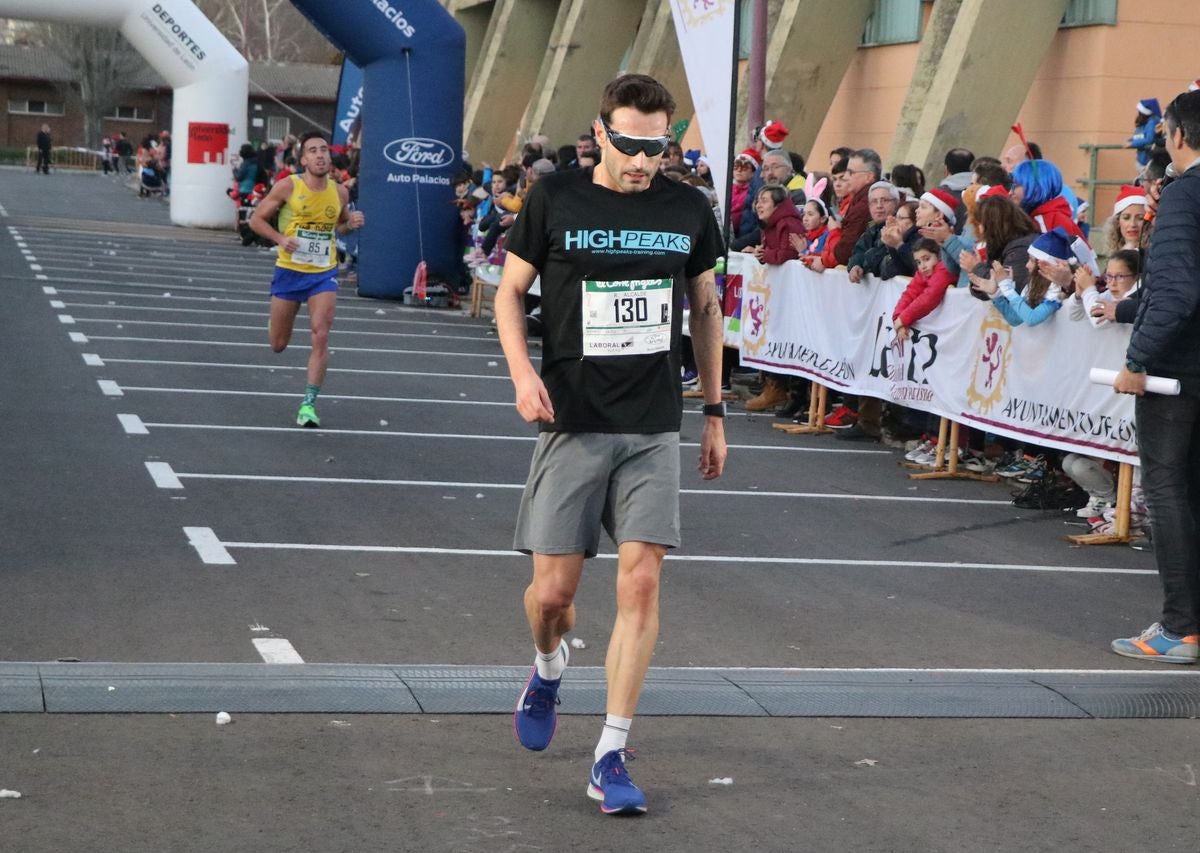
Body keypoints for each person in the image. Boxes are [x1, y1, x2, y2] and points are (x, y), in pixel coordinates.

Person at [495, 73, 726, 815]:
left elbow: (706, 305)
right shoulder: (556, 197)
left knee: (640, 583)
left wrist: (715, 410)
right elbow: (508, 294)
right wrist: (522, 373)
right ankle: (547, 662)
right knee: (553, 596)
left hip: (652, 423)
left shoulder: (688, 207)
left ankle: (610, 751)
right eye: (628, 144)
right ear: (600, 133)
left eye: (656, 147)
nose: (641, 160)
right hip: (571, 418)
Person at [1111, 90, 1200, 664]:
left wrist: (1136, 360)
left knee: (1168, 491)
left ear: (1176, 135)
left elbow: (1174, 291)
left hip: (1176, 372)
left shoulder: (1184, 196)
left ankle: (1180, 627)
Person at [249, 131, 365, 427]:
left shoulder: (340, 192)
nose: (320, 155)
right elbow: (256, 220)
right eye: (312, 151)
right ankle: (275, 323)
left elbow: (340, 227)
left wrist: (351, 223)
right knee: (278, 344)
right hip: (289, 270)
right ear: (303, 160)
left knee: (321, 334)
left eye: (323, 150)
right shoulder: (288, 186)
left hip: (323, 272)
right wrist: (279, 238)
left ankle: (308, 404)